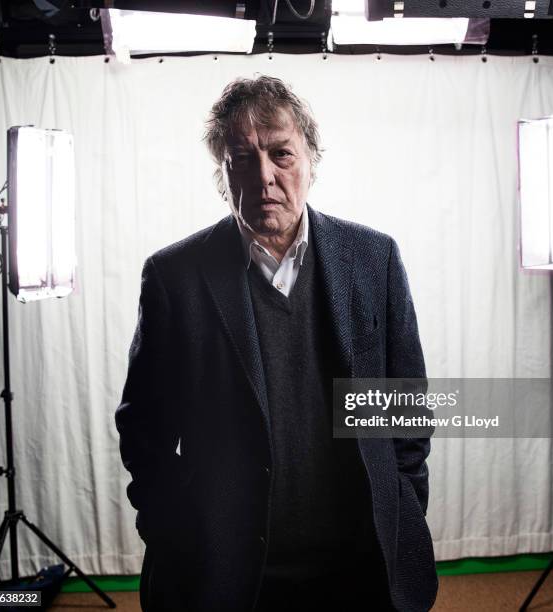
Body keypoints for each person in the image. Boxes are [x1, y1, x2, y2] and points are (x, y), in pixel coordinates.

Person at [115, 75, 437, 612]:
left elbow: (407, 412)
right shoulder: (174, 276)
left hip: (359, 568)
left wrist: (402, 505)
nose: (264, 176)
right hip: (226, 574)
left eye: (281, 154)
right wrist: (170, 526)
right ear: (222, 175)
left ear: (311, 160)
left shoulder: (374, 259)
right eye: (242, 158)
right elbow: (143, 429)